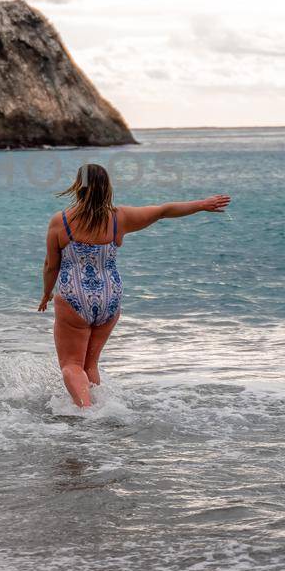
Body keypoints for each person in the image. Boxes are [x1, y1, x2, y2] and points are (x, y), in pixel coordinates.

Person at [39, 163, 231, 408]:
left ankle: (87, 413)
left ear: (78, 187)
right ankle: (99, 408)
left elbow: (50, 265)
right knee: (90, 364)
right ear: (107, 187)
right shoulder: (120, 217)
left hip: (74, 296)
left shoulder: (61, 221)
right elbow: (164, 210)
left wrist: (46, 294)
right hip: (110, 296)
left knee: (71, 365)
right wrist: (202, 204)